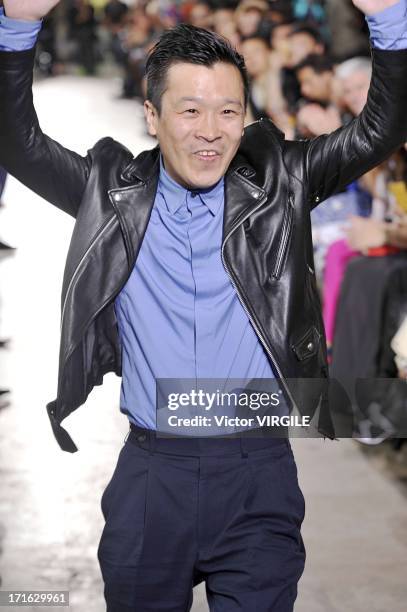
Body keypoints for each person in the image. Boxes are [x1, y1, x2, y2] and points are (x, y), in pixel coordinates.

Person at [0, 1, 406, 611]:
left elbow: (381, 126)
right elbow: (17, 140)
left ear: (246, 117)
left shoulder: (284, 183)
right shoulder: (108, 197)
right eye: (188, 110)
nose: (209, 129)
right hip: (150, 478)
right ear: (152, 115)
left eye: (227, 111)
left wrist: (391, 17)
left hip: (257, 475)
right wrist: (17, 24)